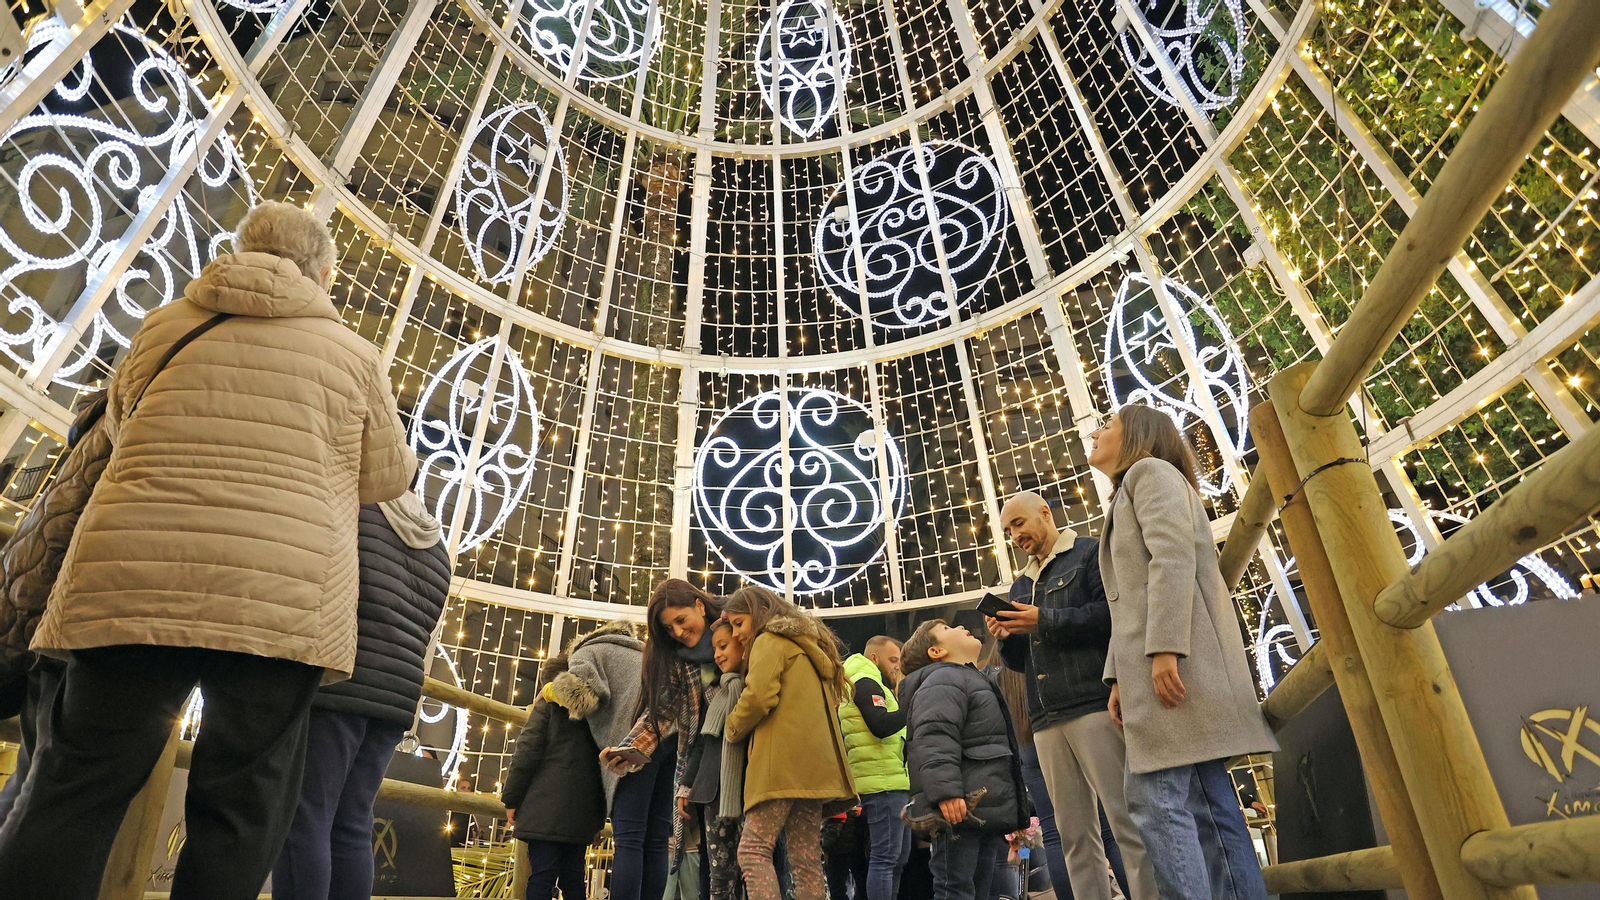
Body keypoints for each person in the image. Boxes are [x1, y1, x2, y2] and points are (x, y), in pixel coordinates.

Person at [0, 201, 414, 899]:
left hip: (130, 581)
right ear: (322, 273)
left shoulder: (165, 324)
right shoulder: (353, 355)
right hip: (279, 602)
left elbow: (119, 423)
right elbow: (386, 477)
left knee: (74, 789)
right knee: (243, 807)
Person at [1091, 405, 1279, 900]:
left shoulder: (1149, 473)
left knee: (1154, 800)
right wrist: (1117, 678)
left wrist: (1166, 650)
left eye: (1106, 424)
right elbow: (1127, 600)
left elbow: (1170, 558)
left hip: (1172, 668)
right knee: (1210, 808)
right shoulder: (1139, 485)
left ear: (1137, 435)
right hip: (1161, 668)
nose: (1095, 431)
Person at [272, 492, 450, 900]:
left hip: (342, 680)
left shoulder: (355, 508)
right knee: (353, 821)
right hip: (398, 695)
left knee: (306, 816)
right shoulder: (437, 545)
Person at [987, 492, 1156, 900]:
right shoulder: (1021, 582)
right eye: (1009, 529)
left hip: (1092, 703)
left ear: (1046, 513)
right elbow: (1020, 662)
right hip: (1045, 718)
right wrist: (1007, 637)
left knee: (1124, 821)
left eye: (1020, 523)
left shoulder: (1090, 553)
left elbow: (1111, 616)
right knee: (1073, 833)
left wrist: (1042, 619)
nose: (1015, 535)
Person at [724, 585, 856, 900]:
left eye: (739, 623)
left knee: (753, 850)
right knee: (806, 856)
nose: (737, 633)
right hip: (815, 770)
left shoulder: (769, 640)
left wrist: (731, 727)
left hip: (779, 766)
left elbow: (759, 696)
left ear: (759, 613)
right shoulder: (810, 648)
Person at [602, 579, 723, 900]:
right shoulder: (675, 659)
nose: (678, 633)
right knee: (702, 855)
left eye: (680, 620)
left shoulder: (737, 626)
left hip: (735, 754)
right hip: (696, 759)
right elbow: (662, 713)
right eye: (669, 628)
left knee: (757, 852)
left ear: (699, 605)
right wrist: (628, 752)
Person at [897, 620, 1029, 900]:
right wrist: (946, 792)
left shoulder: (972, 680)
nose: (960, 626)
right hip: (958, 809)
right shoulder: (942, 679)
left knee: (979, 889)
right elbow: (934, 737)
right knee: (955, 889)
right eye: (946, 629)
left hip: (981, 808)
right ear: (936, 652)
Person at [542, 621, 654, 900]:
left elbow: (582, 697)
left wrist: (548, 692)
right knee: (655, 842)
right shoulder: (640, 652)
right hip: (665, 736)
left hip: (633, 746)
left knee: (629, 840)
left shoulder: (588, 651)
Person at [501, 653, 606, 900]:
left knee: (542, 876)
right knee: (574, 878)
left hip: (542, 811)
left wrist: (511, 799)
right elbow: (601, 771)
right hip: (582, 813)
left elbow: (526, 754)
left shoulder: (546, 707)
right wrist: (598, 819)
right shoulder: (597, 713)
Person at [678, 616, 749, 900]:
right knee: (718, 878)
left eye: (724, 646)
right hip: (711, 793)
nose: (718, 654)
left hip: (749, 789)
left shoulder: (757, 687)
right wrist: (686, 785)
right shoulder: (713, 693)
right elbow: (701, 745)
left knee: (754, 867)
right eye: (715, 648)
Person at [837, 635, 912, 900]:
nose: (897, 666)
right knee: (886, 859)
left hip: (888, 780)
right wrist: (914, 706)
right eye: (893, 659)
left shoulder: (866, 681)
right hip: (882, 783)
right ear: (874, 658)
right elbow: (881, 725)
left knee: (895, 859)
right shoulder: (865, 681)